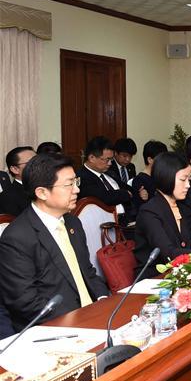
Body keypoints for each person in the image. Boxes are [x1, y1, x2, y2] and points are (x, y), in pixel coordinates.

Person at [0, 154, 109, 330]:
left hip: (93, 316)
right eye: (69, 185)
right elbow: (25, 302)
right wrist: (82, 319)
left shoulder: (72, 222)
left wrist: (104, 301)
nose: (76, 190)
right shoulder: (17, 237)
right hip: (55, 327)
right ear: (41, 192)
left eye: (76, 182)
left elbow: (87, 272)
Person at [133, 152, 191, 271]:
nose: (188, 185)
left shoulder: (180, 205)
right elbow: (168, 253)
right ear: (166, 178)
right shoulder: (149, 211)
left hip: (180, 271)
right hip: (155, 277)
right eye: (183, 180)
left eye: (189, 179)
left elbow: (187, 244)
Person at [76, 136, 131, 218]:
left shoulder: (109, 173)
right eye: (107, 160)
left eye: (111, 160)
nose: (110, 163)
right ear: (92, 158)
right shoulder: (82, 177)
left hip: (126, 218)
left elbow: (128, 188)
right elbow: (104, 198)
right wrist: (125, 194)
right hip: (104, 223)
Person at [131, 140, 167, 215]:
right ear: (150, 160)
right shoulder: (139, 180)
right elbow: (140, 207)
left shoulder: (160, 177)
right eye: (161, 159)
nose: (164, 162)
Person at [0, 146, 36, 216]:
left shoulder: (50, 187)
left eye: (39, 161)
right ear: (15, 169)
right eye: (31, 163)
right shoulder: (7, 197)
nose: (39, 165)